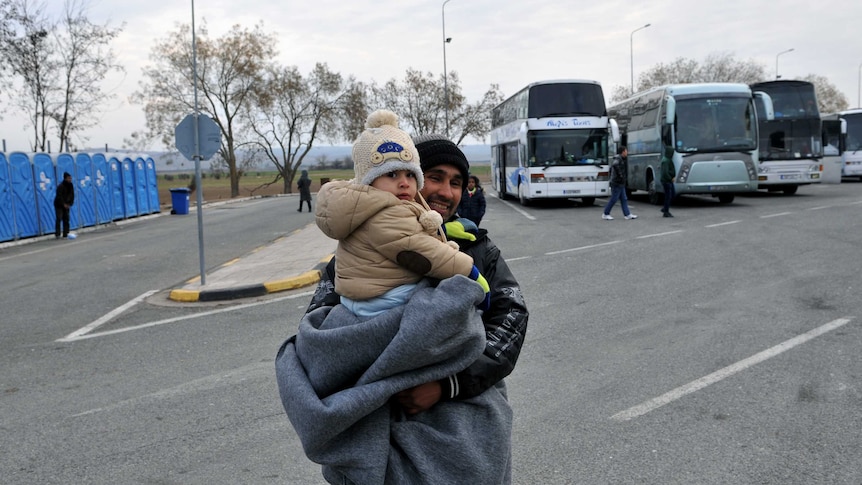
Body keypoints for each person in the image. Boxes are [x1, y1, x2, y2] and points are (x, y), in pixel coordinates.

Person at [277, 130, 529, 485]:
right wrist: (380, 376)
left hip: (464, 435)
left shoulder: (478, 250)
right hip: (381, 433)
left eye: (456, 182)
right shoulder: (358, 252)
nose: (445, 191)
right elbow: (325, 334)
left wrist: (448, 384)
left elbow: (511, 321)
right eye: (435, 177)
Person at [314, 109, 489, 317]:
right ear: (369, 181)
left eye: (411, 175)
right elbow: (421, 250)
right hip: (385, 304)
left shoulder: (483, 246)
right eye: (392, 174)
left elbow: (512, 311)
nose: (404, 183)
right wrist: (472, 273)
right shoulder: (384, 213)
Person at [602, 146, 637, 220]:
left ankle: (627, 214)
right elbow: (615, 165)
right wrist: (621, 175)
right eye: (626, 151)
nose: (627, 152)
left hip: (620, 183)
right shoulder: (618, 159)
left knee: (624, 199)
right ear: (623, 152)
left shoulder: (620, 159)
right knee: (614, 199)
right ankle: (606, 213)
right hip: (616, 183)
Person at [54, 172, 75, 239]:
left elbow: (72, 195)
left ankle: (66, 233)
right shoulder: (61, 186)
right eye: (69, 178)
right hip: (59, 204)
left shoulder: (71, 185)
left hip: (67, 204)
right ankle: (57, 234)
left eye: (71, 178)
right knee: (59, 218)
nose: (70, 179)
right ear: (65, 178)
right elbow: (59, 197)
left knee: (66, 219)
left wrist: (70, 204)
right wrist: (63, 204)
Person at [660, 144, 676, 217]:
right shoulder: (666, 161)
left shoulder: (667, 159)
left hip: (668, 180)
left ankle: (665, 208)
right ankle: (666, 211)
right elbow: (665, 172)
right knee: (668, 196)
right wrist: (670, 178)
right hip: (667, 181)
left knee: (671, 195)